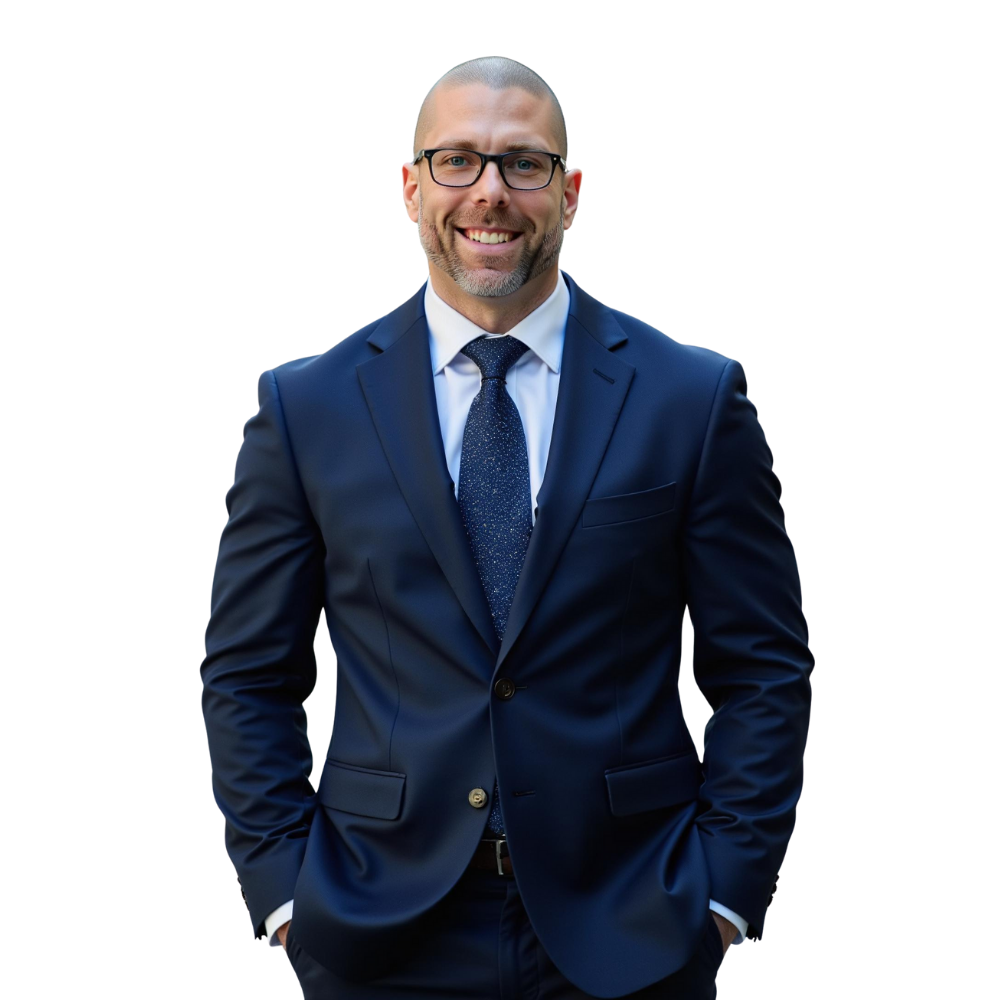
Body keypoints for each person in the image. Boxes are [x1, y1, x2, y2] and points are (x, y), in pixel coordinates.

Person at [200, 55, 813, 999]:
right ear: (412, 190)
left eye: (525, 163)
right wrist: (286, 894)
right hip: (375, 932)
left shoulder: (691, 397)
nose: (490, 192)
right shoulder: (305, 405)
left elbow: (763, 668)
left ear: (571, 194)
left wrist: (725, 894)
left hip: (634, 923)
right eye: (457, 160)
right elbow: (249, 673)